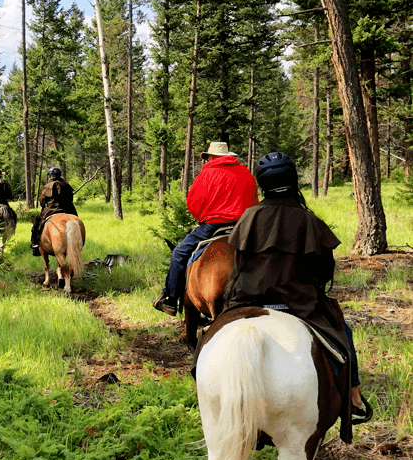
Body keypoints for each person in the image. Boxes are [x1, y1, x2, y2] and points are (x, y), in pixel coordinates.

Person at [224, 151, 371, 424]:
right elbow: (325, 271)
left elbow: (238, 265)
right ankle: (353, 398)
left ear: (262, 183)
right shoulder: (308, 220)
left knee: (214, 334)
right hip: (300, 305)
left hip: (248, 302)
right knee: (343, 333)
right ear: (293, 181)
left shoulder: (249, 217)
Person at [153, 141, 258, 315]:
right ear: (228, 156)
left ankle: (170, 299)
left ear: (212, 156)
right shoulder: (245, 172)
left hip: (213, 225)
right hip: (244, 226)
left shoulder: (207, 173)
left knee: (179, 253)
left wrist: (202, 217)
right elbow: (254, 201)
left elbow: (193, 203)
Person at [30, 166, 77, 256]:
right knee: (77, 221)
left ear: (51, 176)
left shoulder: (48, 186)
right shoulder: (67, 185)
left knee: (37, 221)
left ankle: (35, 243)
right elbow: (71, 199)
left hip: (51, 210)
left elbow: (42, 202)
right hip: (68, 209)